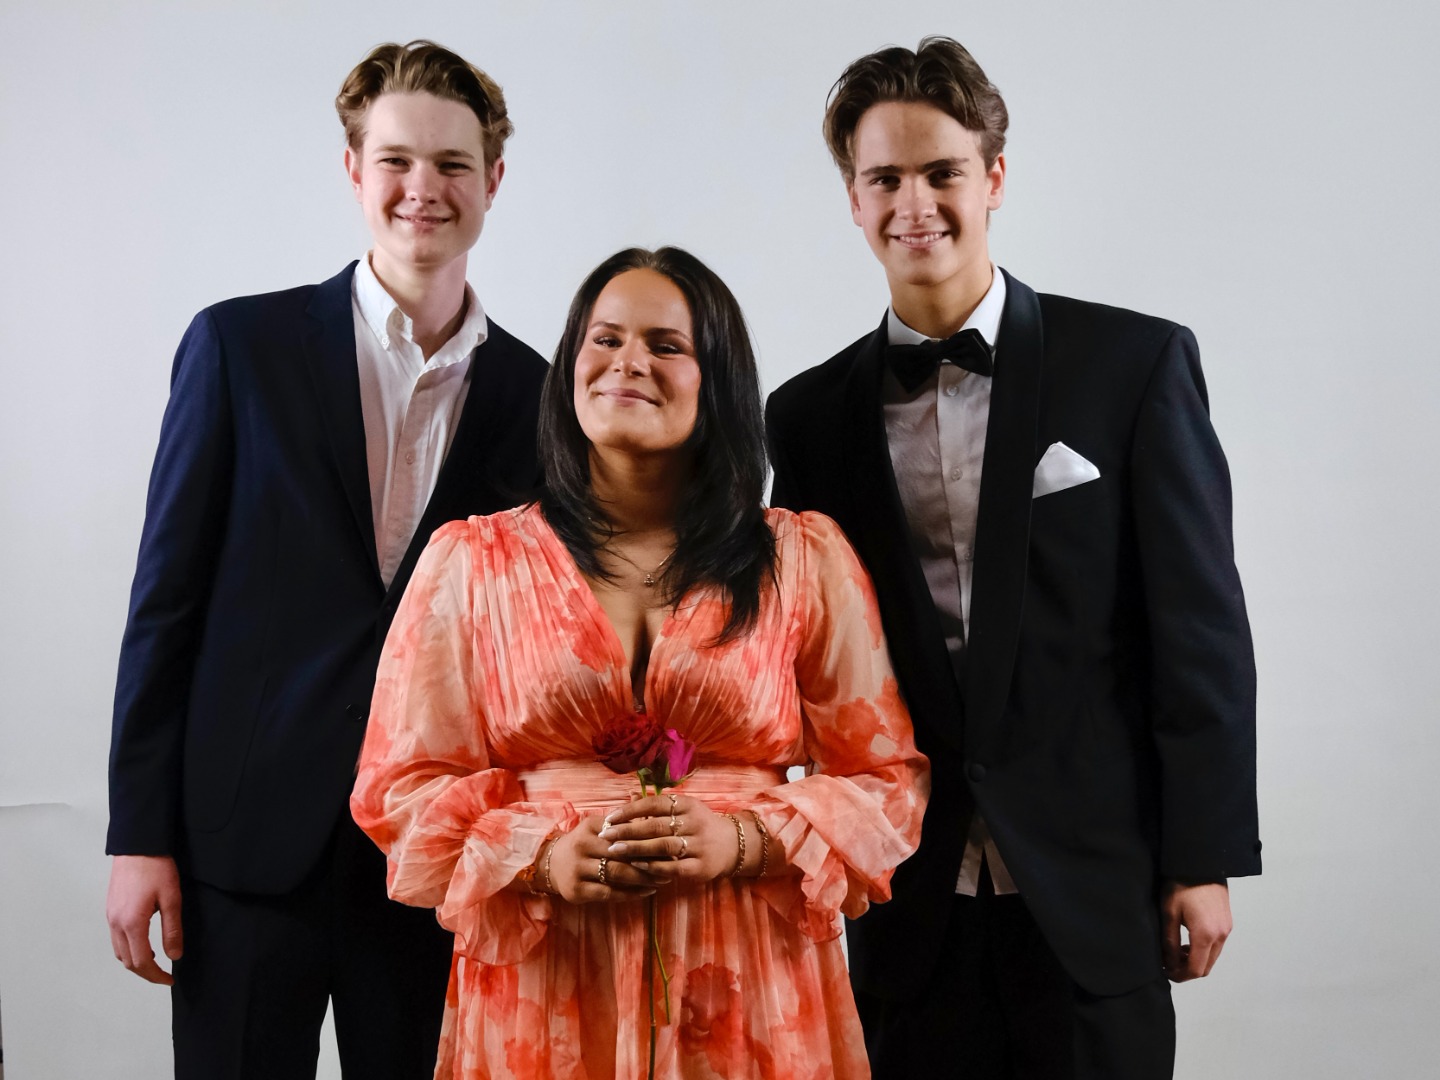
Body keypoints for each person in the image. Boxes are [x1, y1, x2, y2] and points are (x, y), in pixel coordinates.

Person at [765, 37, 1261, 1080]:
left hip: (1095, 887)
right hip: (907, 899)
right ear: (852, 200)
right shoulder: (805, 418)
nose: (915, 203)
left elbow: (1199, 628)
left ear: (993, 178)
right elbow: (805, 654)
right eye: (884, 178)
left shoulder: (1133, 364)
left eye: (941, 171)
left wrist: (1204, 857)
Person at [350, 246, 929, 1079]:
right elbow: (399, 787)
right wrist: (540, 857)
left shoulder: (803, 559)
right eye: (605, 338)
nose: (628, 362)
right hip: (544, 978)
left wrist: (744, 840)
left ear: (717, 379)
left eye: (666, 345)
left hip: (749, 982)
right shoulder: (473, 563)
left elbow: (887, 782)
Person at [104, 40, 548, 1079]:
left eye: (453, 163)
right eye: (397, 160)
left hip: (435, 864)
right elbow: (165, 605)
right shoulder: (238, 348)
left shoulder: (541, 396)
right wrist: (138, 834)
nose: (423, 187)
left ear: (493, 179)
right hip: (243, 852)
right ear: (354, 169)